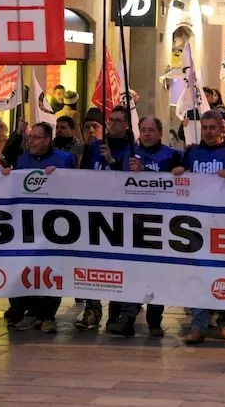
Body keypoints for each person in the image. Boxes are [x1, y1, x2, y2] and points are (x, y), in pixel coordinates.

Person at [172, 109, 225, 344]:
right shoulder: (192, 151)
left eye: (212, 127)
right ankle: (198, 324)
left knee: (224, 272)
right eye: (204, 127)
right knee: (197, 273)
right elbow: (183, 177)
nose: (208, 132)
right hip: (196, 224)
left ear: (221, 128)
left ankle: (224, 322)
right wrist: (177, 172)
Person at [108, 116, 183, 337]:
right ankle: (128, 317)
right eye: (144, 130)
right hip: (134, 222)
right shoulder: (129, 154)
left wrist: (147, 173)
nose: (147, 133)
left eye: (151, 130)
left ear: (160, 133)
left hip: (162, 223)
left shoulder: (173, 155)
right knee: (135, 272)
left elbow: (176, 184)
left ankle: (154, 321)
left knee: (157, 273)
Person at [3, 122, 76, 334]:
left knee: (51, 271)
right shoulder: (22, 159)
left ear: (47, 140)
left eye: (36, 137)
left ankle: (46, 315)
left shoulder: (63, 159)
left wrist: (60, 176)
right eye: (29, 137)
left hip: (54, 226)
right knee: (24, 268)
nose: (31, 141)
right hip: (25, 226)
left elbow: (76, 186)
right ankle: (26, 311)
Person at [76, 106, 135, 331]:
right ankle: (92, 309)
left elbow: (132, 179)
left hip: (122, 215)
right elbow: (82, 176)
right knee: (93, 261)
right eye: (112, 120)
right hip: (94, 212)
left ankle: (116, 312)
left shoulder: (132, 148)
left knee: (119, 264)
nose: (115, 124)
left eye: (120, 121)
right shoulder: (93, 148)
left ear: (127, 124)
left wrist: (112, 161)